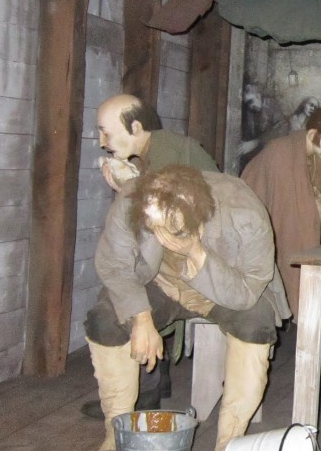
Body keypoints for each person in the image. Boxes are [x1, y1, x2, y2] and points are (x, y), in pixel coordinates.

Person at [86, 165, 289, 451]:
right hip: (161, 283)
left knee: (256, 323)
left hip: (224, 288)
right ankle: (116, 431)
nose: (162, 237)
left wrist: (196, 252)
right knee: (105, 319)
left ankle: (228, 444)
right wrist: (141, 317)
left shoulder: (245, 212)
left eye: (172, 230)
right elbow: (115, 266)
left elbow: (247, 291)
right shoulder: (132, 200)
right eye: (154, 228)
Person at [84, 94, 220, 417]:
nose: (102, 142)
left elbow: (163, 219)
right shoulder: (154, 152)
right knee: (125, 281)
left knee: (115, 302)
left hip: (199, 269)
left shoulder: (166, 151)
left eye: (106, 132)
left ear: (135, 127)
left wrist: (128, 188)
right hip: (182, 262)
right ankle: (154, 381)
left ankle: (140, 393)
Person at [241, 107, 321, 381]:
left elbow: (320, 197)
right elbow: (299, 210)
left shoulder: (310, 154)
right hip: (258, 243)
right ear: (313, 133)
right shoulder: (282, 154)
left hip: (284, 228)